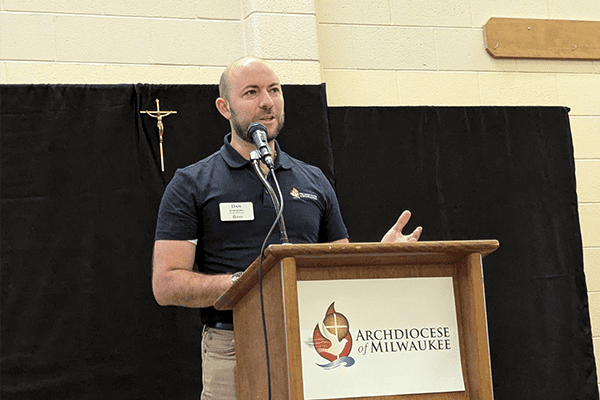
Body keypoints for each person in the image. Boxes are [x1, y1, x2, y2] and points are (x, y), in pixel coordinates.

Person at [152, 56, 422, 399]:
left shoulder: (313, 179)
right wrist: (247, 283)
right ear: (224, 107)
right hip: (233, 345)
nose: (267, 101)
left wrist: (378, 256)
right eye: (251, 92)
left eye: (274, 90)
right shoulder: (192, 183)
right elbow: (166, 284)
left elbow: (338, 267)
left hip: (314, 341)